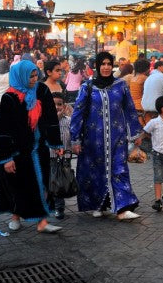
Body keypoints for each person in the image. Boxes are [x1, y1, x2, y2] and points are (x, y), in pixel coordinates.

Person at [0, 60, 63, 233]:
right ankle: (15, 215)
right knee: (18, 185)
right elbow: (3, 129)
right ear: (20, 76)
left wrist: (55, 142)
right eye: (29, 76)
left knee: (41, 183)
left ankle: (42, 222)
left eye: (34, 75)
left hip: (38, 148)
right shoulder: (9, 97)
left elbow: (51, 117)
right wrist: (6, 158)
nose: (33, 79)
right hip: (17, 151)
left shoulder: (41, 90)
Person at [70, 52, 142, 220]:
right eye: (102, 64)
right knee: (96, 172)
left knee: (120, 169)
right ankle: (99, 205)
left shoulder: (121, 85)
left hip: (118, 137)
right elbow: (77, 113)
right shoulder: (87, 87)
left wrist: (135, 133)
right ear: (97, 66)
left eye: (109, 63)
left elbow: (130, 110)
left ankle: (123, 209)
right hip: (93, 140)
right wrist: (75, 138)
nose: (106, 67)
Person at [49, 92, 72, 219]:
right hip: (49, 156)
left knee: (59, 183)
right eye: (53, 104)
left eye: (59, 104)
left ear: (64, 106)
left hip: (64, 158)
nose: (57, 107)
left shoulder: (68, 121)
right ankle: (50, 206)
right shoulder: (44, 120)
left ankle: (59, 208)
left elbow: (74, 137)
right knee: (49, 181)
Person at [128, 59, 150, 125]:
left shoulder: (133, 77)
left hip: (132, 104)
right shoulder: (144, 78)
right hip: (141, 105)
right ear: (145, 69)